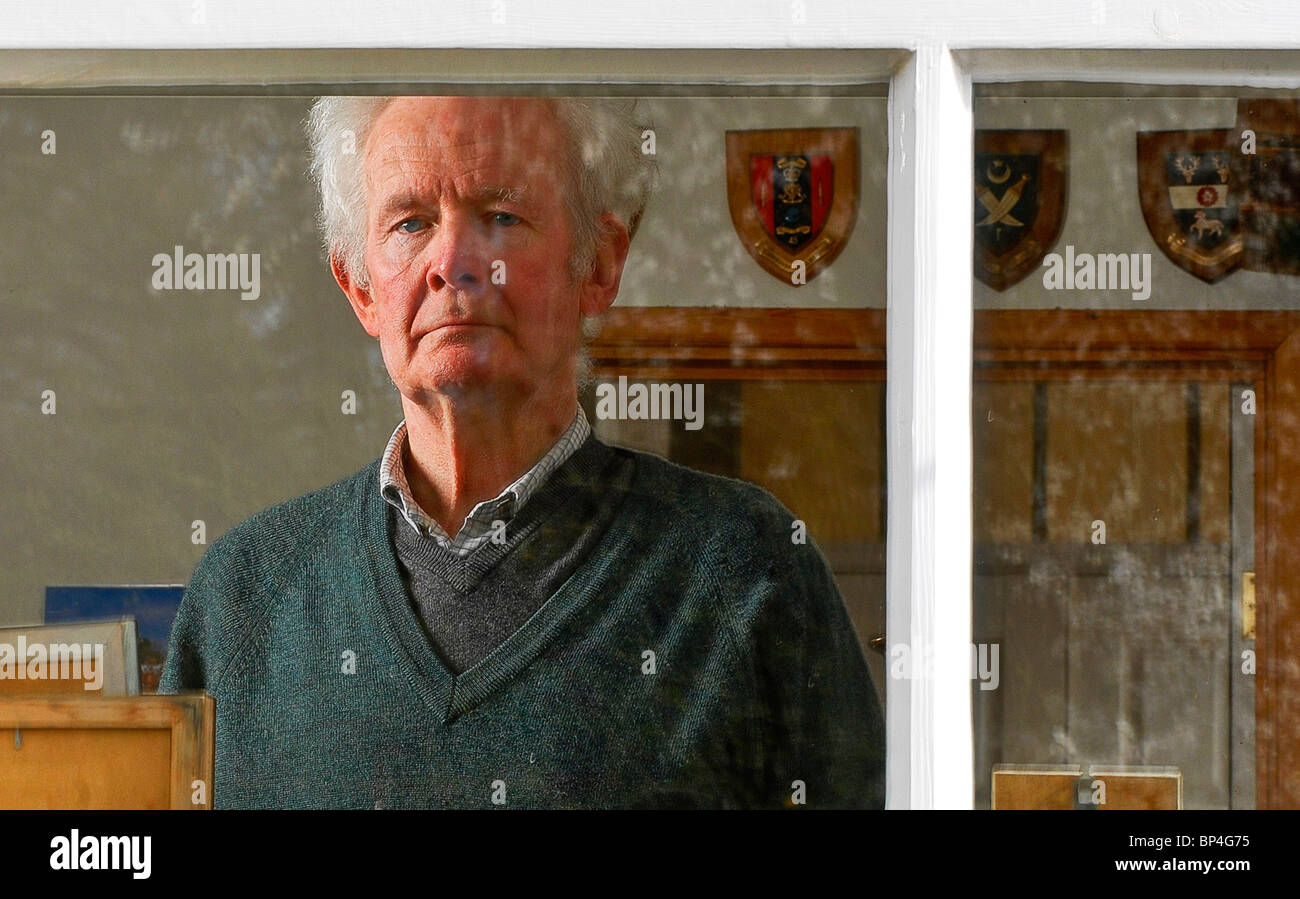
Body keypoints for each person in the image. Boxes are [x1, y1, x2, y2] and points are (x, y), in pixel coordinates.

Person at [159, 95, 885, 809]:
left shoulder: (744, 570)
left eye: (502, 217)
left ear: (598, 264)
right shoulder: (242, 599)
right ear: (360, 288)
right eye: (411, 222)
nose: (453, 263)